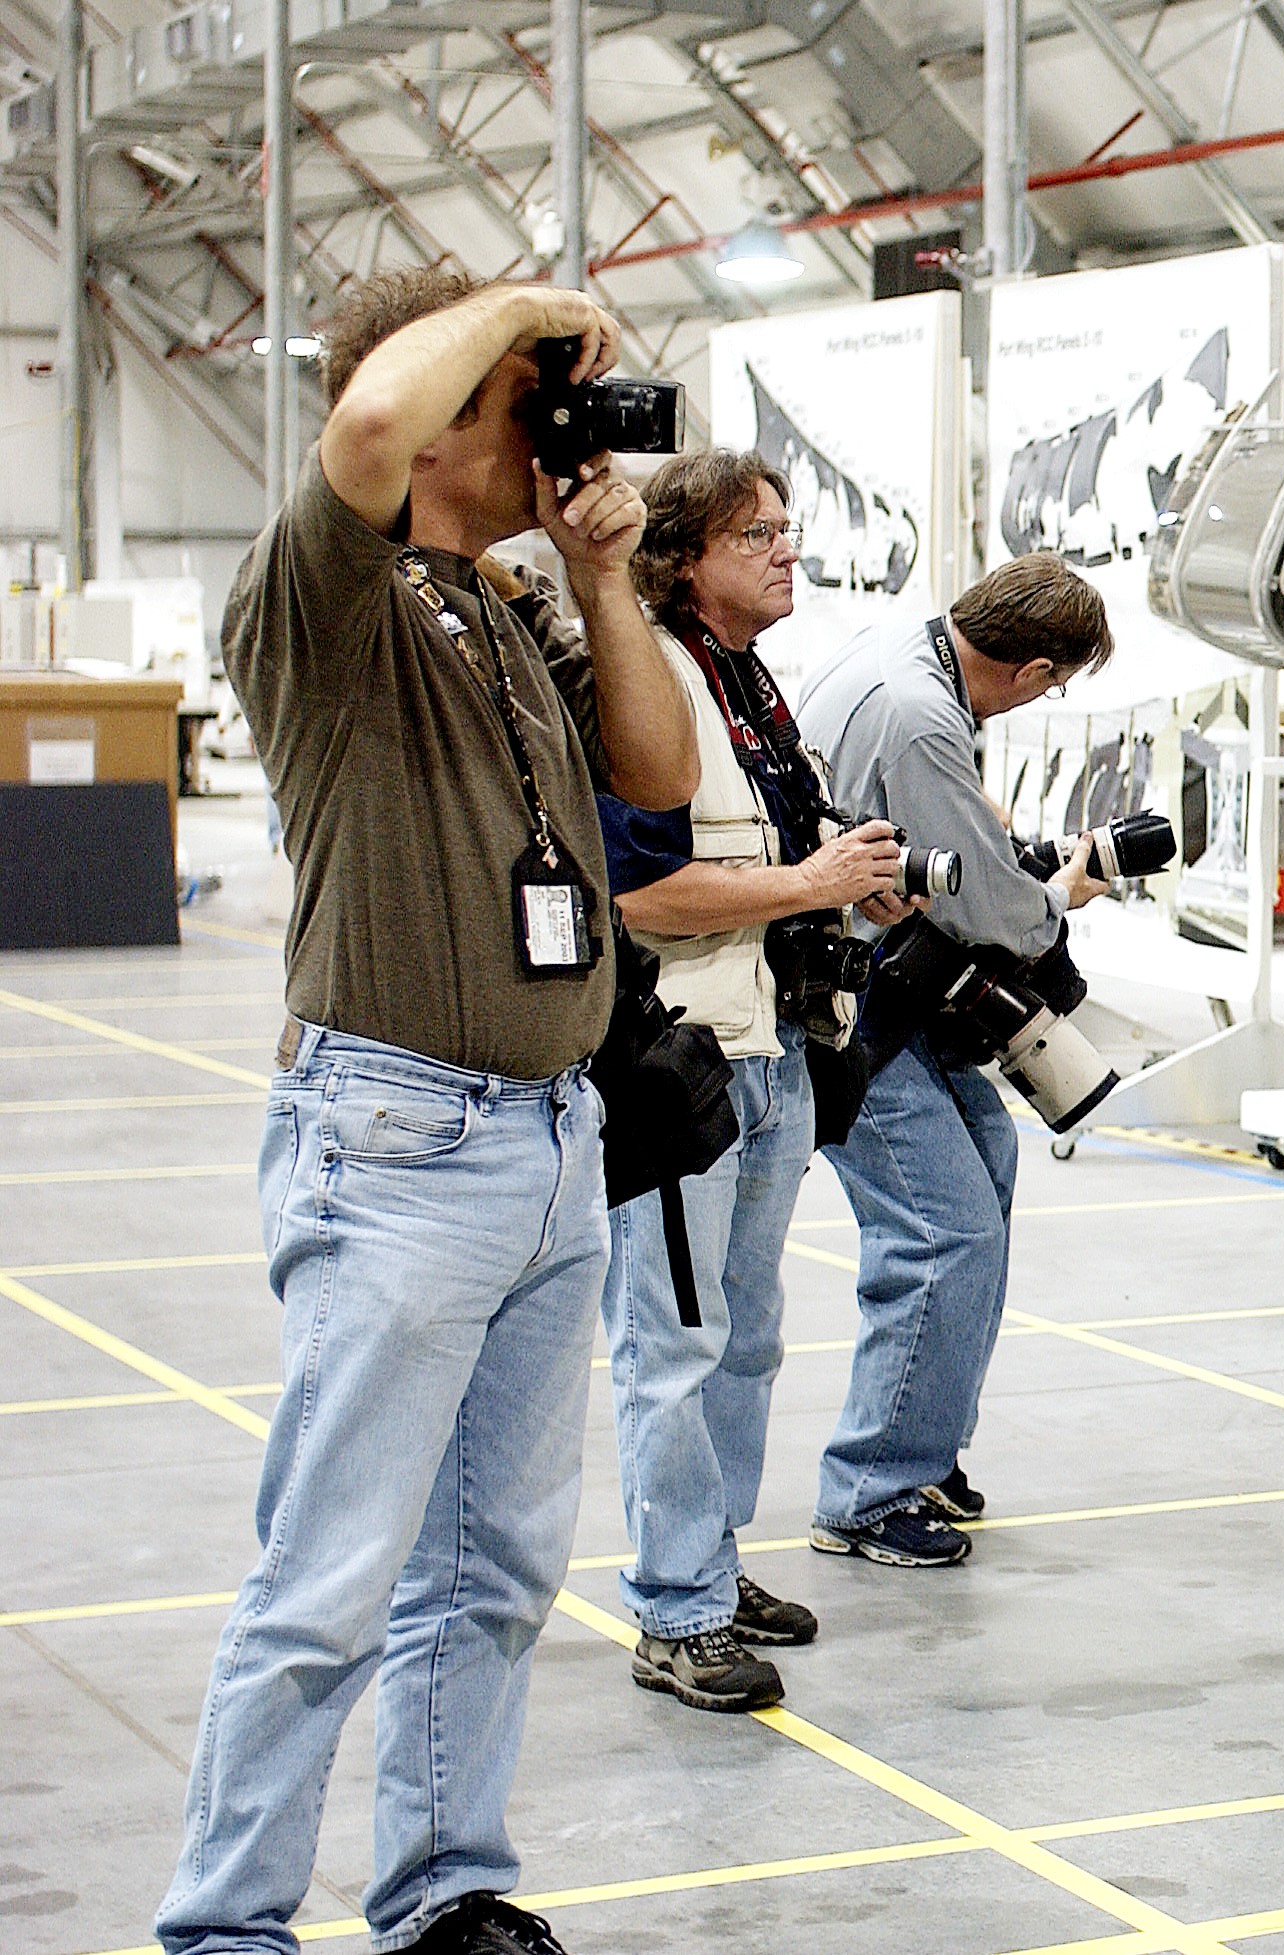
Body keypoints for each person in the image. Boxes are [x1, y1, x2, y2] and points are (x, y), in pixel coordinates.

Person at [159, 272, 699, 1955]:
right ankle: (229, 1924)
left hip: (546, 1144)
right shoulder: (324, 594)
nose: (551, 425)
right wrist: (530, 297)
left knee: (493, 1572)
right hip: (395, 1143)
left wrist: (604, 581)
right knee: (325, 1587)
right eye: (526, 395)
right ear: (449, 402)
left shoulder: (504, 605)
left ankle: (446, 1889)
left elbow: (662, 775)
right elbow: (375, 425)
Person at [593, 450, 922, 1714]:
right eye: (758, 535)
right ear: (683, 560)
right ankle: (675, 1613)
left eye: (786, 530)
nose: (787, 551)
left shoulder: (743, 678)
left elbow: (770, 857)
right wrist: (808, 884)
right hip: (686, 1055)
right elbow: (645, 892)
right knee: (673, 1338)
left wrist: (844, 880)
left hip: (774, 1042)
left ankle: (711, 1572)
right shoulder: (657, 686)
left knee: (745, 1332)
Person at [794, 554, 1115, 1566]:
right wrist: (1063, 893)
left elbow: (945, 835)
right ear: (1030, 670)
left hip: (891, 989)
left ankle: (920, 1444)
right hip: (861, 1006)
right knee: (944, 1232)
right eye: (1054, 685)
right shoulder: (923, 713)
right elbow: (991, 910)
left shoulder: (898, 650)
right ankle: (872, 1488)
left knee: (989, 1169)